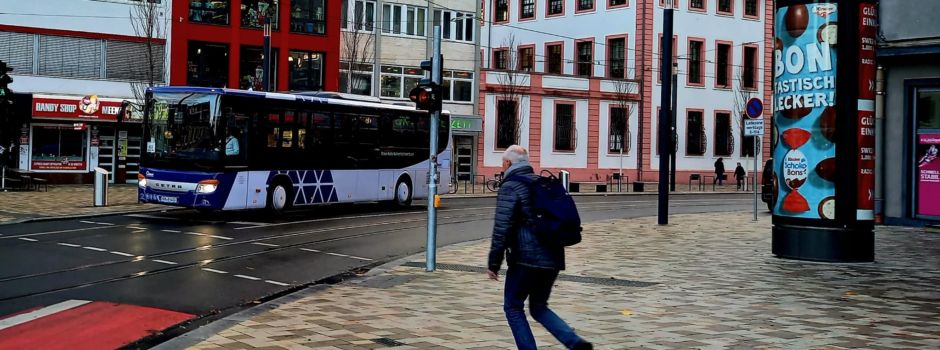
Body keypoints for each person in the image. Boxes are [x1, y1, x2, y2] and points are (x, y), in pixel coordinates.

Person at [487, 145, 592, 350]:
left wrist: (494, 263)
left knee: (513, 307)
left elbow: (502, 228)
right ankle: (575, 343)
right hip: (553, 256)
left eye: (502, 163)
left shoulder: (510, 186)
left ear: (507, 163)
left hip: (525, 259)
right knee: (539, 306)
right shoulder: (541, 183)